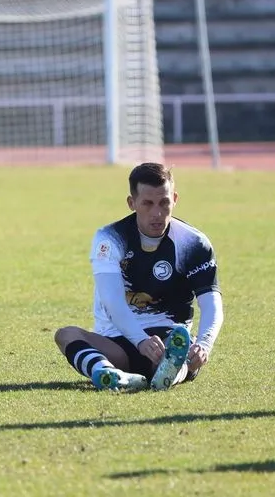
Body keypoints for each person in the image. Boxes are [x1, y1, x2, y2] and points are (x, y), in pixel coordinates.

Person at [54, 163, 224, 391]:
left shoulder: (193, 243)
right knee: (66, 334)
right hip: (118, 341)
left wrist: (204, 344)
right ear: (131, 203)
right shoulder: (110, 238)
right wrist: (141, 340)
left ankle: (170, 372)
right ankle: (110, 372)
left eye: (164, 202)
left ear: (174, 199)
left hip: (170, 339)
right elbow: (112, 301)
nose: (157, 213)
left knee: (180, 353)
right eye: (148, 203)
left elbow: (212, 302)